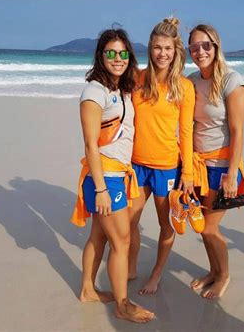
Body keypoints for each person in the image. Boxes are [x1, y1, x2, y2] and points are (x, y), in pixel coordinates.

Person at [71, 28, 154, 323]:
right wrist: (103, 189)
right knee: (121, 243)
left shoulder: (120, 88)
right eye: (110, 53)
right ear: (100, 55)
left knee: (99, 236)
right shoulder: (95, 92)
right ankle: (122, 304)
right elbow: (90, 144)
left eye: (122, 53)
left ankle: (87, 290)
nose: (117, 58)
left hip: (115, 175)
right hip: (106, 178)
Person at [128, 17, 195, 295]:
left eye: (167, 48)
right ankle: (130, 264)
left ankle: (156, 273)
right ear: (150, 49)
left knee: (165, 225)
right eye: (157, 47)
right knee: (129, 221)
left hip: (167, 168)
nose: (162, 53)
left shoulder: (183, 88)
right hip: (135, 164)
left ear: (176, 50)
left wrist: (188, 173)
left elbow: (187, 133)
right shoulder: (136, 79)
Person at [187, 24, 244, 299]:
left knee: (209, 227)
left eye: (205, 45)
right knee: (202, 226)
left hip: (222, 167)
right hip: (198, 166)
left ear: (216, 46)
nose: (200, 51)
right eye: (194, 47)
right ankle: (213, 271)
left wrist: (231, 174)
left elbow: (237, 132)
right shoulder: (192, 80)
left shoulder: (231, 80)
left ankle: (223, 275)